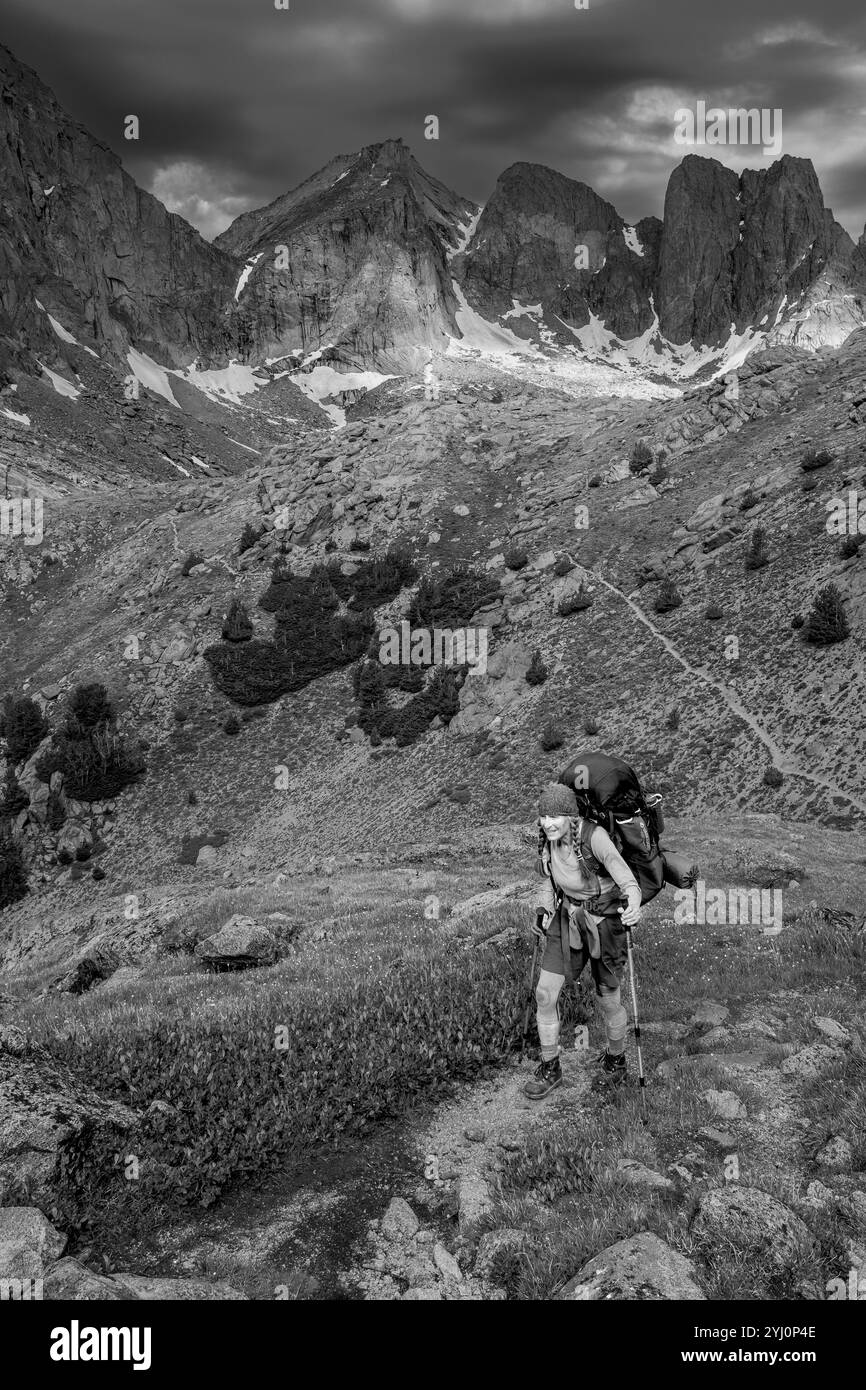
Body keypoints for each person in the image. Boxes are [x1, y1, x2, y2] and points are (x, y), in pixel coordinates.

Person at [524, 782, 642, 1100]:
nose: (548, 822)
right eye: (543, 815)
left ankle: (616, 1061)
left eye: (556, 816)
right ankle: (551, 1068)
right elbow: (549, 883)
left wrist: (632, 904)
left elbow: (626, 878)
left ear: (572, 819)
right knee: (545, 995)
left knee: (608, 999)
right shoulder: (547, 843)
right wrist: (543, 909)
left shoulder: (595, 838)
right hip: (568, 920)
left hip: (605, 922)